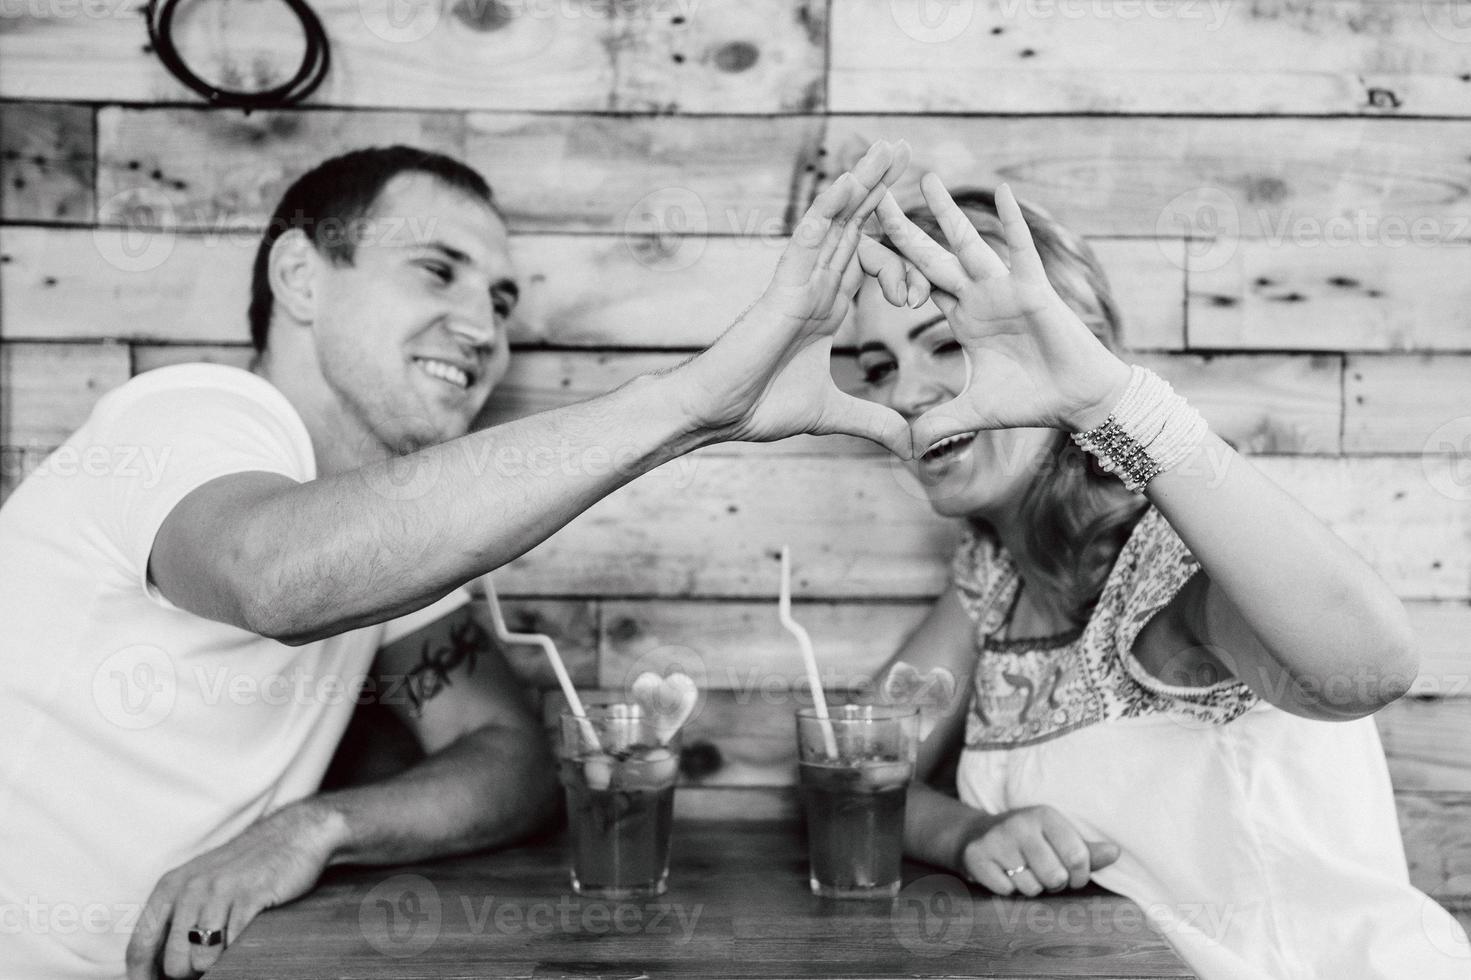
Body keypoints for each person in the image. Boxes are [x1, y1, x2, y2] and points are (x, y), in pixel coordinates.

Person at [0, 140, 923, 980]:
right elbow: (273, 578)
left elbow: (513, 761)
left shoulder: (377, 521)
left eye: (499, 301)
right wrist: (688, 405)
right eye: (436, 271)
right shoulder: (189, 415)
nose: (482, 328)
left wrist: (316, 827)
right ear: (299, 276)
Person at [855, 175, 1469, 978]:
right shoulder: (990, 575)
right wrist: (967, 837)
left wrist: (1111, 402)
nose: (903, 395)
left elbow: (1372, 670)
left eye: (944, 343)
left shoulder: (1174, 557)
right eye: (875, 365)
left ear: (1064, 344)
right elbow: (854, 768)